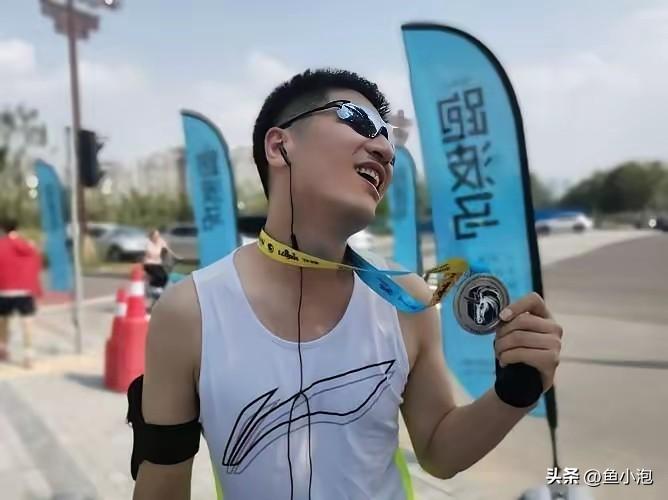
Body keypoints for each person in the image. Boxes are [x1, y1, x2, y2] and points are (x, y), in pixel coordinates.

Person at [131, 69, 563, 500]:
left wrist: (514, 392)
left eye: (388, 141)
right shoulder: (189, 312)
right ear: (280, 147)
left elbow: (438, 452)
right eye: (358, 119)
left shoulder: (407, 300)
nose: (384, 150)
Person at [0, 218, 43, 369]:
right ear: (17, 228)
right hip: (24, 291)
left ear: (3, 228)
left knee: (4, 321)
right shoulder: (27, 245)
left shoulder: (1, 245)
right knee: (27, 323)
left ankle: (3, 349)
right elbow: (37, 262)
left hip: (4, 291)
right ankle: (28, 356)